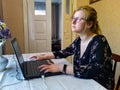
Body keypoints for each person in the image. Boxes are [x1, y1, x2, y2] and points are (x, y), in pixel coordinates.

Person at [30, 5, 114, 90]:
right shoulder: (78, 40)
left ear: (89, 24)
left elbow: (92, 71)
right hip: (83, 81)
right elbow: (64, 52)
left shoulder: (99, 41)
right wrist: (43, 56)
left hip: (98, 85)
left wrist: (60, 67)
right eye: (73, 18)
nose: (73, 22)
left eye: (79, 19)